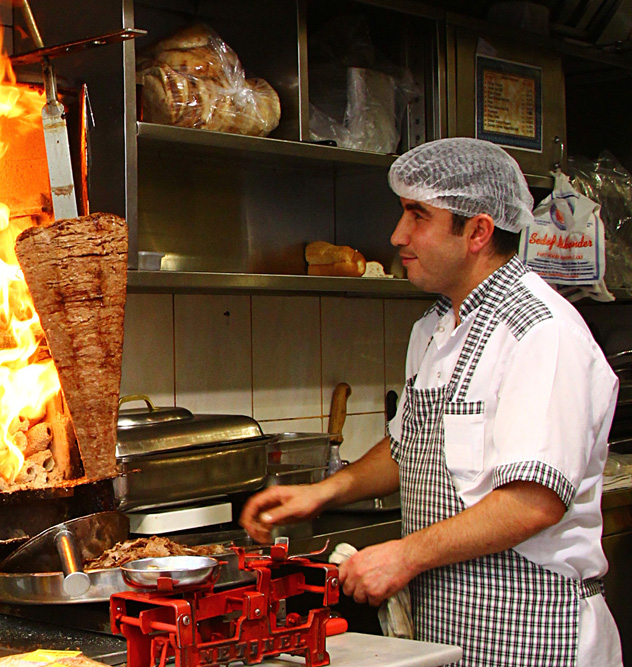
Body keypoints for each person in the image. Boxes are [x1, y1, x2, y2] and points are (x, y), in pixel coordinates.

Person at [240, 137, 623, 666]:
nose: (398, 235)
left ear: (478, 231)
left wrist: (404, 555)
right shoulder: (435, 328)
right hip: (452, 628)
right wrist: (322, 493)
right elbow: (409, 446)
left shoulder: (539, 332)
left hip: (534, 631)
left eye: (417, 215)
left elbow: (533, 501)